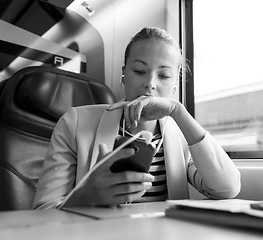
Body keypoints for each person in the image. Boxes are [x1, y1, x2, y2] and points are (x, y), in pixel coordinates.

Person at [33, 27, 241, 209]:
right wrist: (86, 196)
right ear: (124, 74)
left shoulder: (181, 134)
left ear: (175, 85)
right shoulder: (74, 123)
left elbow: (226, 188)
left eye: (164, 76)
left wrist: (178, 111)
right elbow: (44, 211)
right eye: (140, 70)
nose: (150, 83)